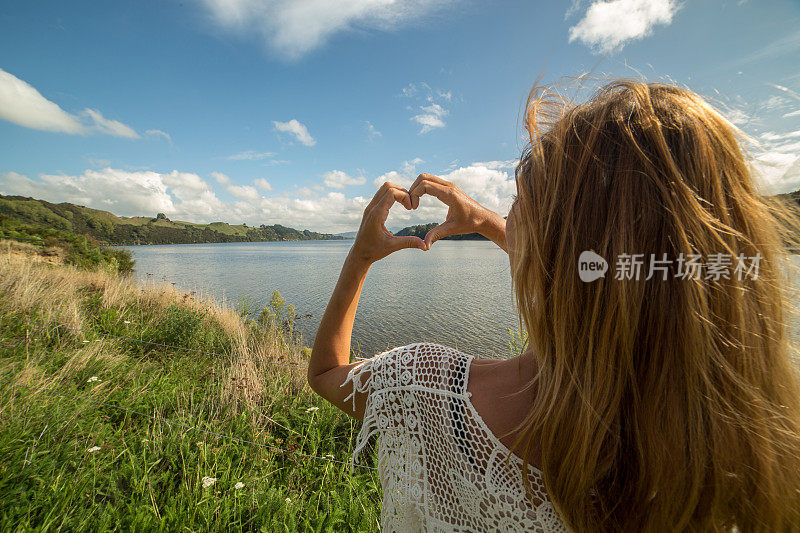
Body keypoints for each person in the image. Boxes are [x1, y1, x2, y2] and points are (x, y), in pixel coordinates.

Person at [307, 80, 800, 532]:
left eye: (518, 202)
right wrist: (485, 222)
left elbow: (328, 372)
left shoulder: (432, 391)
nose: (506, 214)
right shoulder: (755, 448)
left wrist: (361, 256)